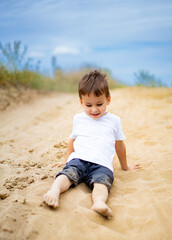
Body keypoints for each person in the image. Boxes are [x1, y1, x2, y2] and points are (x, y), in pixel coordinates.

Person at [43, 70, 140, 218]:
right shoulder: (78, 119)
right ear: (81, 102)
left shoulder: (114, 121)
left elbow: (119, 144)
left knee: (102, 183)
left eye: (99, 104)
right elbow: (72, 140)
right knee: (67, 174)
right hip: (79, 158)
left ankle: (99, 202)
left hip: (102, 165)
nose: (94, 109)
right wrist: (66, 160)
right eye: (88, 105)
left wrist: (125, 166)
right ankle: (54, 190)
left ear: (108, 100)